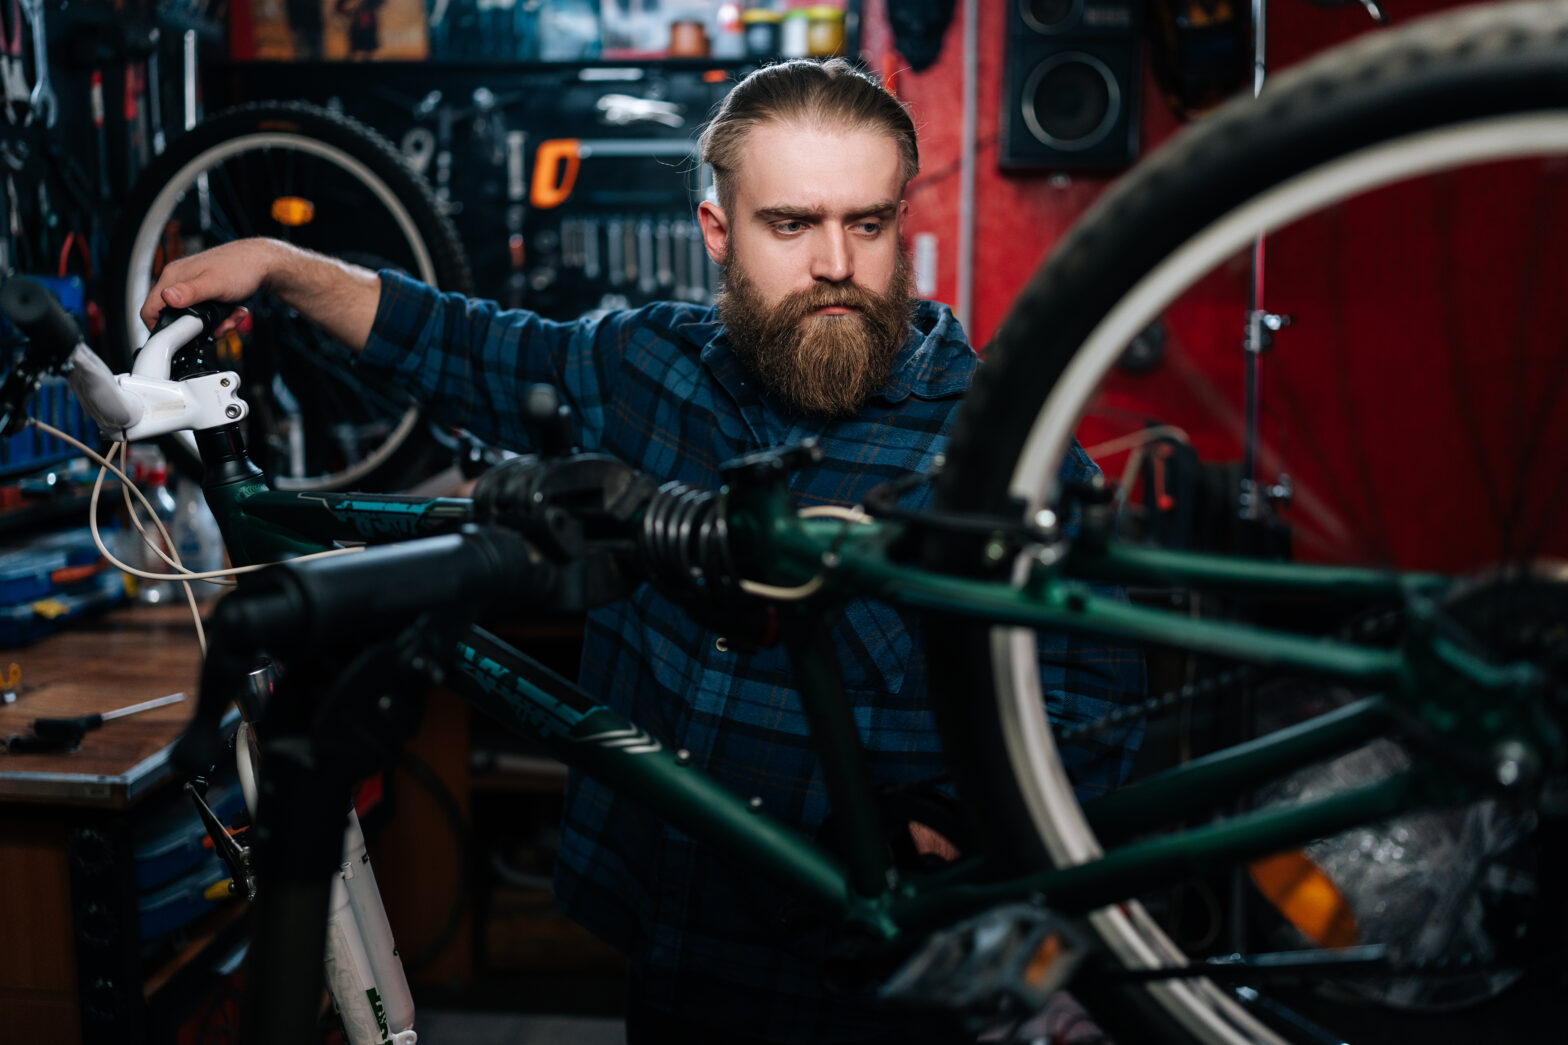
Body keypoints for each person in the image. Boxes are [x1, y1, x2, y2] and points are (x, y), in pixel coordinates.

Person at [140, 59, 1143, 1045]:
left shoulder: (1002, 456)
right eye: (790, 224)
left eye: (866, 223)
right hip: (669, 943)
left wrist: (948, 823)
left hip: (864, 988)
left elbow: (1093, 718)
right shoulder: (646, 366)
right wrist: (277, 264)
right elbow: (458, 342)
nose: (835, 261)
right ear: (718, 231)